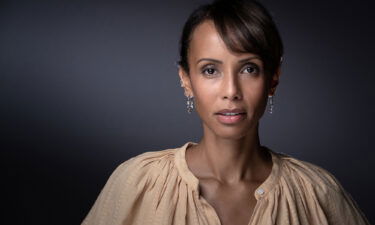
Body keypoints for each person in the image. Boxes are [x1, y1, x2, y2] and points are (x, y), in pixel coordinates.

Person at [82, 0, 370, 224]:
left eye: (249, 69)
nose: (231, 90)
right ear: (186, 80)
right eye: (210, 70)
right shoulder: (137, 183)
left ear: (273, 79)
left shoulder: (316, 192)